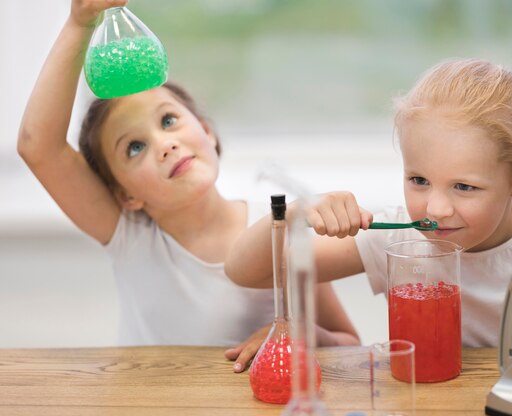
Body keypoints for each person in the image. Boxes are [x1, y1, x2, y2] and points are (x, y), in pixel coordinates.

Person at [17, 0, 359, 372]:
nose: (164, 145)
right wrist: (78, 23)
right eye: (135, 147)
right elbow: (38, 146)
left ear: (207, 132)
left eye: (168, 121)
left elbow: (348, 343)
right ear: (126, 195)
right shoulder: (129, 236)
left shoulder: (278, 231)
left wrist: (304, 334)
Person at [225, 58, 512, 347]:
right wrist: (294, 213)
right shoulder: (400, 241)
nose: (434, 209)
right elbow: (245, 271)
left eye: (464, 187)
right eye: (419, 180)